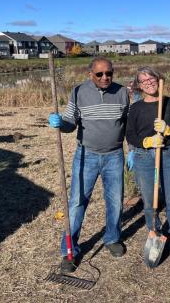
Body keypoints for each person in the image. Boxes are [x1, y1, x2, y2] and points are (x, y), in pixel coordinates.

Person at [48, 57, 129, 273]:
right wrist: (60, 123)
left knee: (115, 202)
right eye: (100, 74)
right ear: (89, 73)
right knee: (76, 203)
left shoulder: (122, 93)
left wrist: (134, 151)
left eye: (109, 73)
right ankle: (69, 251)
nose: (105, 77)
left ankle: (112, 238)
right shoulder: (78, 92)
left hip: (114, 156)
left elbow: (128, 125)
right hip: (86, 155)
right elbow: (70, 124)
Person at [125, 67, 170, 253]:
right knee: (149, 199)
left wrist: (168, 130)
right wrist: (146, 141)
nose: (149, 83)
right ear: (139, 86)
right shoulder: (136, 108)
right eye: (144, 81)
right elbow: (130, 134)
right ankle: (154, 231)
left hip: (168, 154)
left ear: (159, 80)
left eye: (151, 78)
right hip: (144, 157)